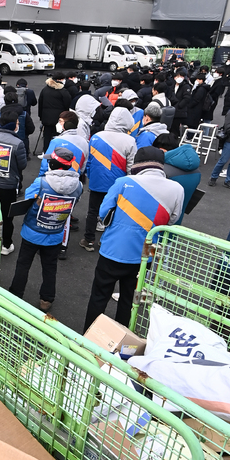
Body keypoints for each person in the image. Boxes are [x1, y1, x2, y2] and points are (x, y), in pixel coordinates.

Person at [83, 147, 184, 330]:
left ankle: (90, 336)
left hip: (114, 249)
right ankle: (121, 342)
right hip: (146, 254)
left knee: (99, 296)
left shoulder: (123, 182)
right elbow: (174, 218)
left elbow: (103, 212)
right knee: (129, 299)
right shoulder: (177, 188)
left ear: (138, 164)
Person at [8, 148, 83, 312]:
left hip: (32, 231)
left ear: (53, 163)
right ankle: (46, 300)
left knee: (23, 265)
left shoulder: (41, 182)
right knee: (50, 267)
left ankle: (15, 294)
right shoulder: (78, 185)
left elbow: (27, 200)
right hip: (56, 233)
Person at [79, 108, 137, 252]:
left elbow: (89, 161)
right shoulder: (130, 141)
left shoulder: (97, 136)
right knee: (115, 213)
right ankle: (106, 241)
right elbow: (131, 167)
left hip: (97, 182)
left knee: (93, 211)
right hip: (118, 183)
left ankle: (88, 239)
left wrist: (90, 177)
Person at [0, 105, 27, 255]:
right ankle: (6, 244)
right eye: (17, 122)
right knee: (7, 217)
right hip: (9, 184)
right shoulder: (18, 143)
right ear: (13, 124)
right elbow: (22, 165)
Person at [154, 132, 201, 224]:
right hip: (177, 219)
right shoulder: (196, 171)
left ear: (161, 150)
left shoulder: (162, 170)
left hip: (159, 221)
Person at [40, 111, 89, 175]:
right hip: (76, 178)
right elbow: (85, 164)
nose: (58, 123)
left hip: (55, 177)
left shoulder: (56, 141)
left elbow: (45, 164)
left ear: (67, 124)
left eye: (60, 121)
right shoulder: (84, 142)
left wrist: (41, 177)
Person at [37, 72, 71, 156]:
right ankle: (58, 153)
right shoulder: (63, 91)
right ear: (59, 80)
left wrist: (41, 116)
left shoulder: (45, 89)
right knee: (59, 135)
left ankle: (45, 152)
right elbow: (67, 104)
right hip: (59, 118)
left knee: (47, 135)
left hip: (46, 117)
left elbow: (40, 103)